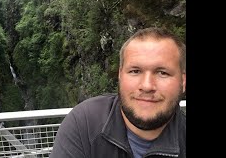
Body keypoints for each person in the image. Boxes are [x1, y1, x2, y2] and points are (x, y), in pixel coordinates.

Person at [49, 27, 186, 158]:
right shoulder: (84, 123)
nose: (147, 86)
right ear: (120, 75)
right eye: (135, 71)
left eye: (163, 73)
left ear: (183, 81)